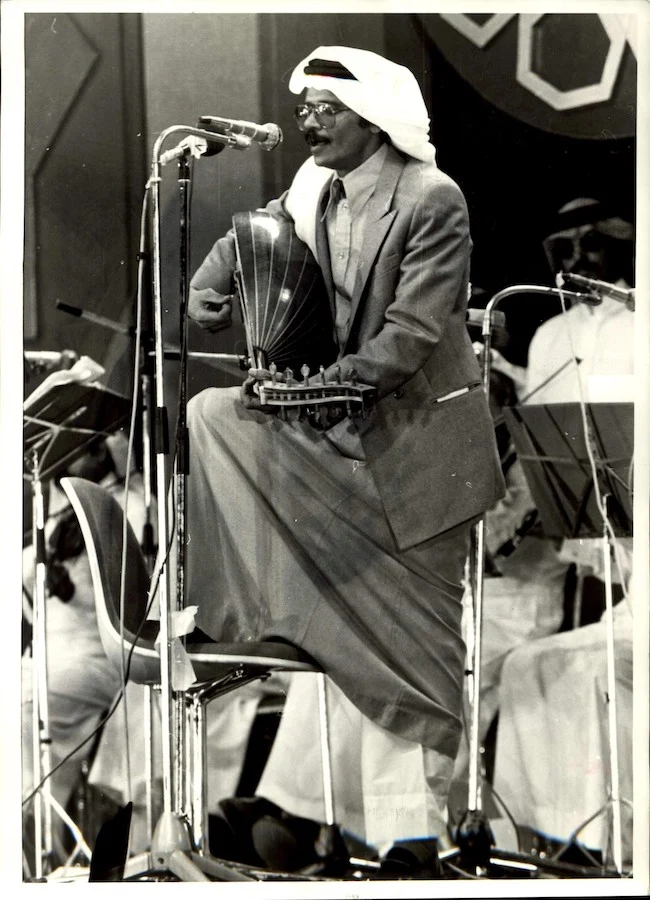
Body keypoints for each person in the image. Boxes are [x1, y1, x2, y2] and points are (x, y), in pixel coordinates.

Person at [184, 46, 504, 862]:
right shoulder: (312, 189)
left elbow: (411, 336)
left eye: (328, 108)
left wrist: (321, 386)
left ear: (376, 118)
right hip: (345, 440)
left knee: (416, 650)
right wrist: (211, 285)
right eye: (306, 109)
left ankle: (421, 839)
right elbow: (247, 235)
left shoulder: (433, 198)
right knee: (215, 413)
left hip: (422, 453)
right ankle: (241, 609)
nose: (308, 122)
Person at [491, 198, 635, 868]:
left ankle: (613, 839)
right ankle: (550, 836)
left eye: (591, 242)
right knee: (545, 670)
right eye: (563, 246)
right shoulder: (550, 335)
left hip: (633, 544)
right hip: (577, 538)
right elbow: (544, 443)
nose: (576, 259)